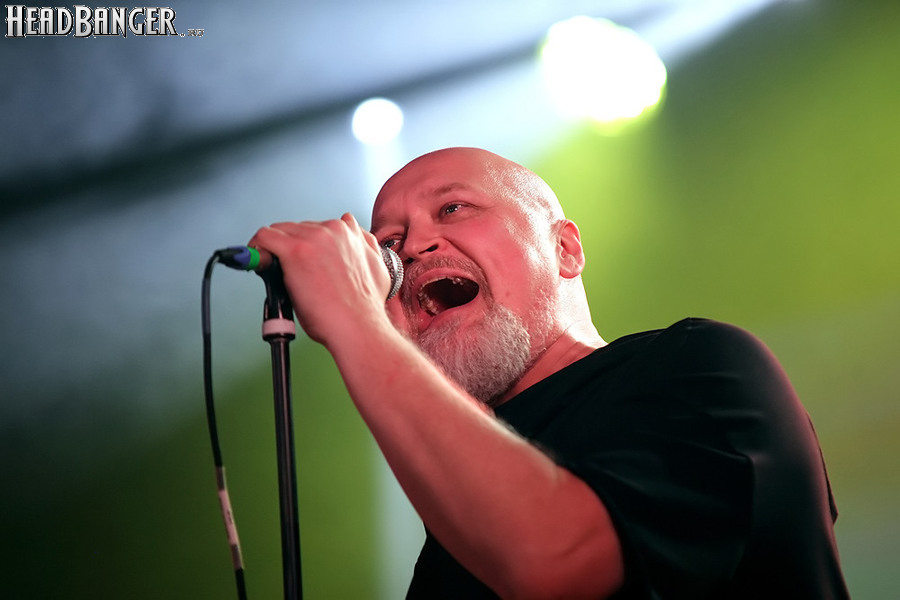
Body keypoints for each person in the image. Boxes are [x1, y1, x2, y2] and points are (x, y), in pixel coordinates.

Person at [248, 147, 849, 599]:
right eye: (390, 240)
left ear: (565, 249)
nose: (411, 249)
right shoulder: (453, 516)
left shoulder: (697, 363)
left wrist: (355, 320)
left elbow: (556, 565)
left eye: (453, 208)